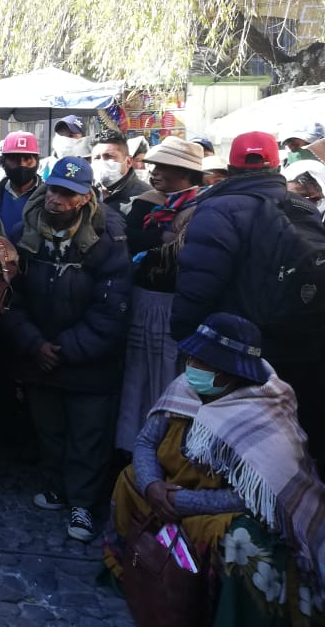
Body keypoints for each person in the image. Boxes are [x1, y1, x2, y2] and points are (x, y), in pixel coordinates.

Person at [103, 313, 325, 624]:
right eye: (192, 356)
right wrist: (152, 485)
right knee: (129, 480)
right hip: (168, 493)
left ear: (229, 373)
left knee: (244, 541)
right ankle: (135, 573)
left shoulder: (267, 409)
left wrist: (181, 503)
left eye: (201, 360)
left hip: (222, 510)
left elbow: (255, 496)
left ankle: (230, 615)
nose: (190, 364)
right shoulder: (184, 388)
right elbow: (145, 442)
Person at [171, 131, 325, 470]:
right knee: (291, 435)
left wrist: (183, 334)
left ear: (230, 167)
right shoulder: (303, 206)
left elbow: (198, 284)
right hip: (301, 341)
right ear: (276, 165)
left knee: (235, 442)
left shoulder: (217, 209)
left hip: (236, 350)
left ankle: (231, 513)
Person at [2, 157, 133, 542]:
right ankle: (59, 488)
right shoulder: (22, 230)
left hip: (89, 362)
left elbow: (114, 307)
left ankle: (83, 503)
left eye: (69, 193)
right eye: (55, 189)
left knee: (88, 436)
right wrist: (33, 343)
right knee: (50, 429)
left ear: (85, 197)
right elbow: (9, 297)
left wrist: (66, 347)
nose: (58, 200)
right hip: (39, 354)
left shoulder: (110, 237)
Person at [115, 136, 205, 454]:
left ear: (185, 172)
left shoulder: (201, 208)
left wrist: (152, 242)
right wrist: (161, 237)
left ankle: (165, 448)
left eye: (164, 167)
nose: (155, 173)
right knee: (136, 371)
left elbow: (183, 255)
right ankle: (129, 443)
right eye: (154, 166)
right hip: (141, 299)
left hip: (173, 305)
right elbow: (128, 237)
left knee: (168, 374)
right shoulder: (146, 201)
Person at [0, 130, 41, 234]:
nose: (22, 164)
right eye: (14, 159)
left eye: (27, 159)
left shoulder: (48, 196)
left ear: (37, 162)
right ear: (3, 162)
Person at [90, 130, 150, 226]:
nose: (102, 162)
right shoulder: (88, 193)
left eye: (109, 156)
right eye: (97, 158)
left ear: (129, 161)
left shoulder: (145, 198)